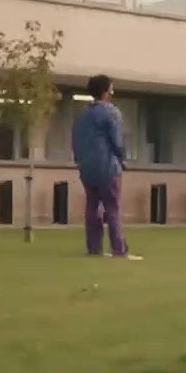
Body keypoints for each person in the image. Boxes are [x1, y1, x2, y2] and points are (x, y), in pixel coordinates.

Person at [71, 74, 140, 260]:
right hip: (107, 166)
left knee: (92, 207)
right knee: (112, 208)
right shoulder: (111, 112)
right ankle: (119, 249)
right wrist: (123, 159)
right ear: (106, 91)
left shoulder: (82, 115)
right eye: (111, 88)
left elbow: (76, 141)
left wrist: (80, 161)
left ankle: (94, 248)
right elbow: (116, 141)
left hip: (87, 167)